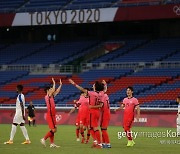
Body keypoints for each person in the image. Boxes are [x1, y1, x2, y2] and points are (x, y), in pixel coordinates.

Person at [69, 79, 107, 148]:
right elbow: (101, 104)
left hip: (92, 111)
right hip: (97, 112)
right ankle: (95, 142)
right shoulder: (102, 94)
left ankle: (99, 143)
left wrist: (74, 83)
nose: (93, 86)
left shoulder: (92, 93)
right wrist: (105, 85)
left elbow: (82, 89)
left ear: (96, 87)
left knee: (94, 127)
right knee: (90, 127)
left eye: (94, 85)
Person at [40, 78, 62, 148]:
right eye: (50, 89)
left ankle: (52, 144)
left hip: (52, 114)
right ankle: (43, 139)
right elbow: (53, 90)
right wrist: (54, 83)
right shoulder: (47, 96)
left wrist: (60, 85)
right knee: (53, 130)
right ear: (47, 91)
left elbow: (57, 91)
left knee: (54, 129)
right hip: (50, 114)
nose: (52, 90)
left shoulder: (51, 96)